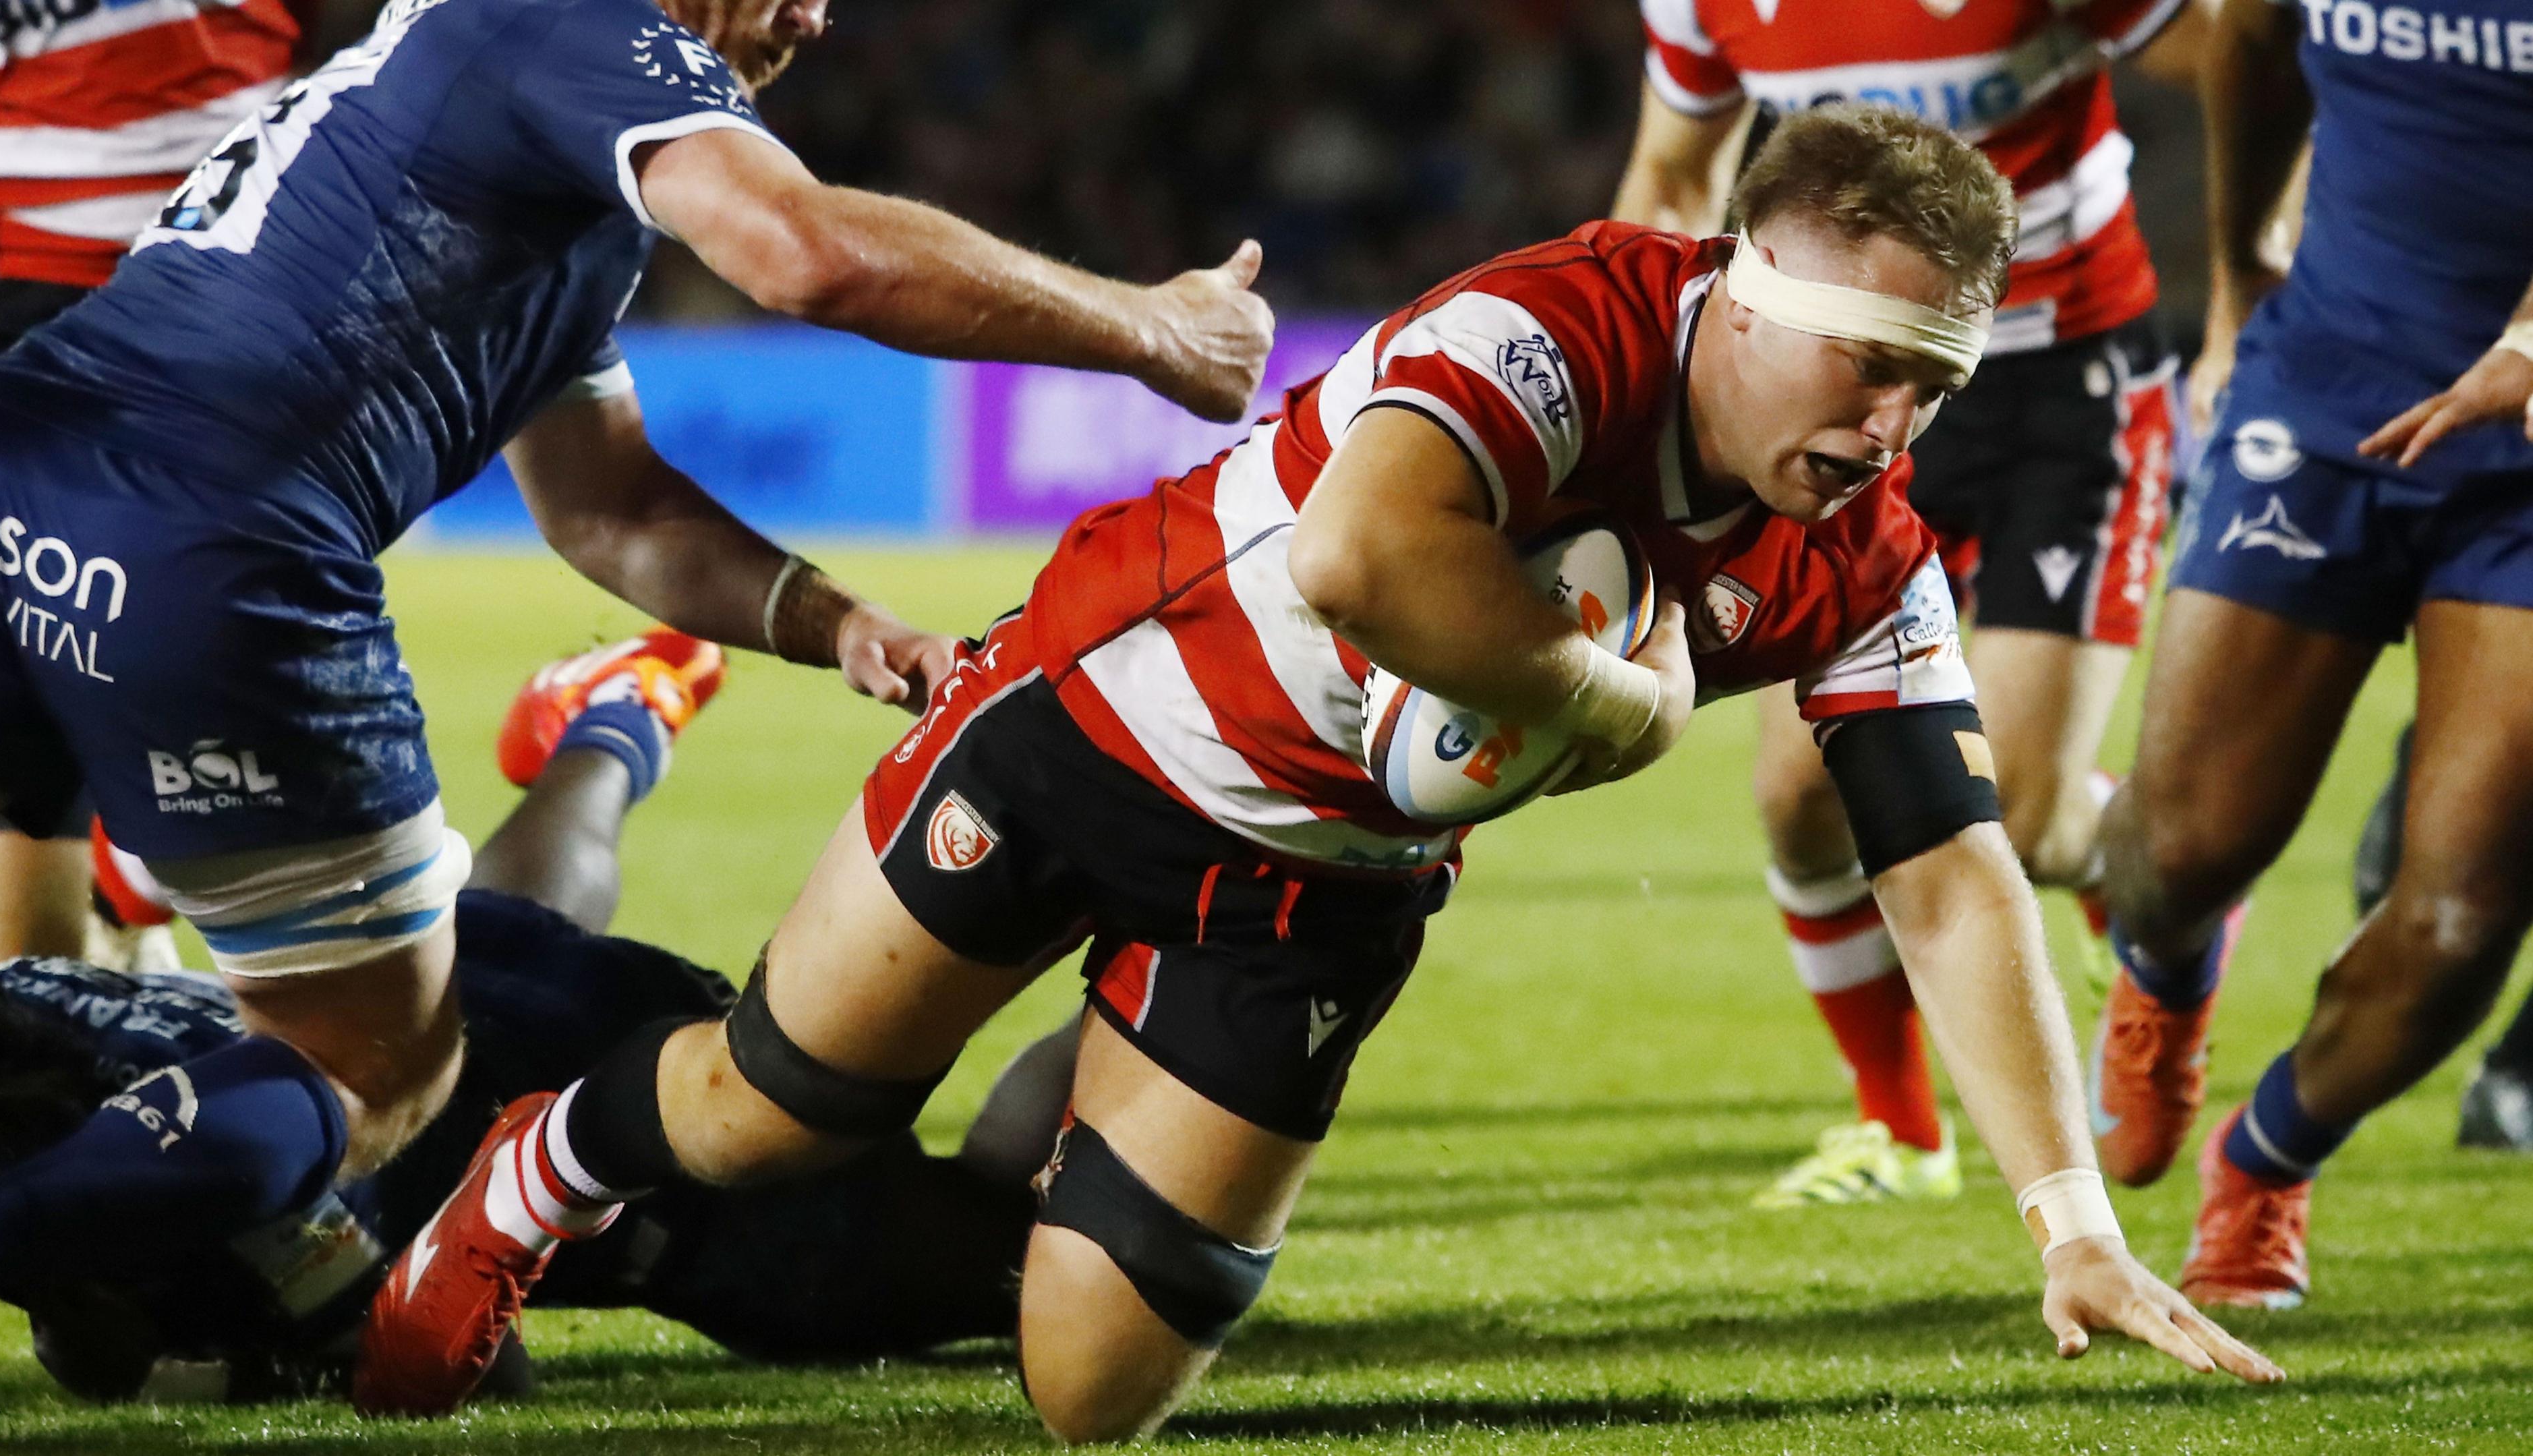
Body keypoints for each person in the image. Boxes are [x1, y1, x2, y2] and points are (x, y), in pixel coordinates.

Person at [369, 106, 2280, 1434]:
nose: (1890, 424)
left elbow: (1946, 869)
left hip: (1317, 885)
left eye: (1934, 384)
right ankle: (525, 1185)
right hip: (1099, 717)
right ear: (1739, 291)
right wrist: (1612, 708)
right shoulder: (1560, 323)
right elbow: (1372, 553)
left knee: (1088, 1394)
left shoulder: (1866, 553)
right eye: (1865, 364)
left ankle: (1112, 1074)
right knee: (774, 1108)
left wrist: (2073, 1221)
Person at [0, 0, 1275, 1347]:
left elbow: (607, 506)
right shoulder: (572, 21)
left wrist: (840, 623)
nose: (812, 14)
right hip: (208, 551)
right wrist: (1159, 331)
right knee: (371, 1065)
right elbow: (807, 254)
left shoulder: (488, 127)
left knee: (25, 942)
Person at [0, 629, 1069, 1402]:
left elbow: (469, 1349)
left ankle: (1183, 989)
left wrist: (193, 1358)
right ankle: (621, 711)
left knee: (1044, 1263)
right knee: (500, 929)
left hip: (634, 1136)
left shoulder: (141, 1187)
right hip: (454, 984)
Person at [1614, 0, 2197, 1209]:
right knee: (1797, 797)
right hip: (1842, 378)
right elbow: (1672, 181)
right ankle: (1901, 1132)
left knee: (2020, 823)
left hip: (2062, 385)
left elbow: (2241, 53)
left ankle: (2167, 871)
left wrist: (2253, 267)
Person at [2093, 0, 2533, 1307]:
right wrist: (2240, 270)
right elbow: (2246, 38)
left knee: (2460, 918)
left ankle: (2268, 1157)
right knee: (2178, 847)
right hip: (2331, 383)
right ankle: (2168, 968)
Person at [0, 0, 339, 977]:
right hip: (3, 196)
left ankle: (102, 919)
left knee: (24, 670)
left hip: (151, 215)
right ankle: (130, 873)